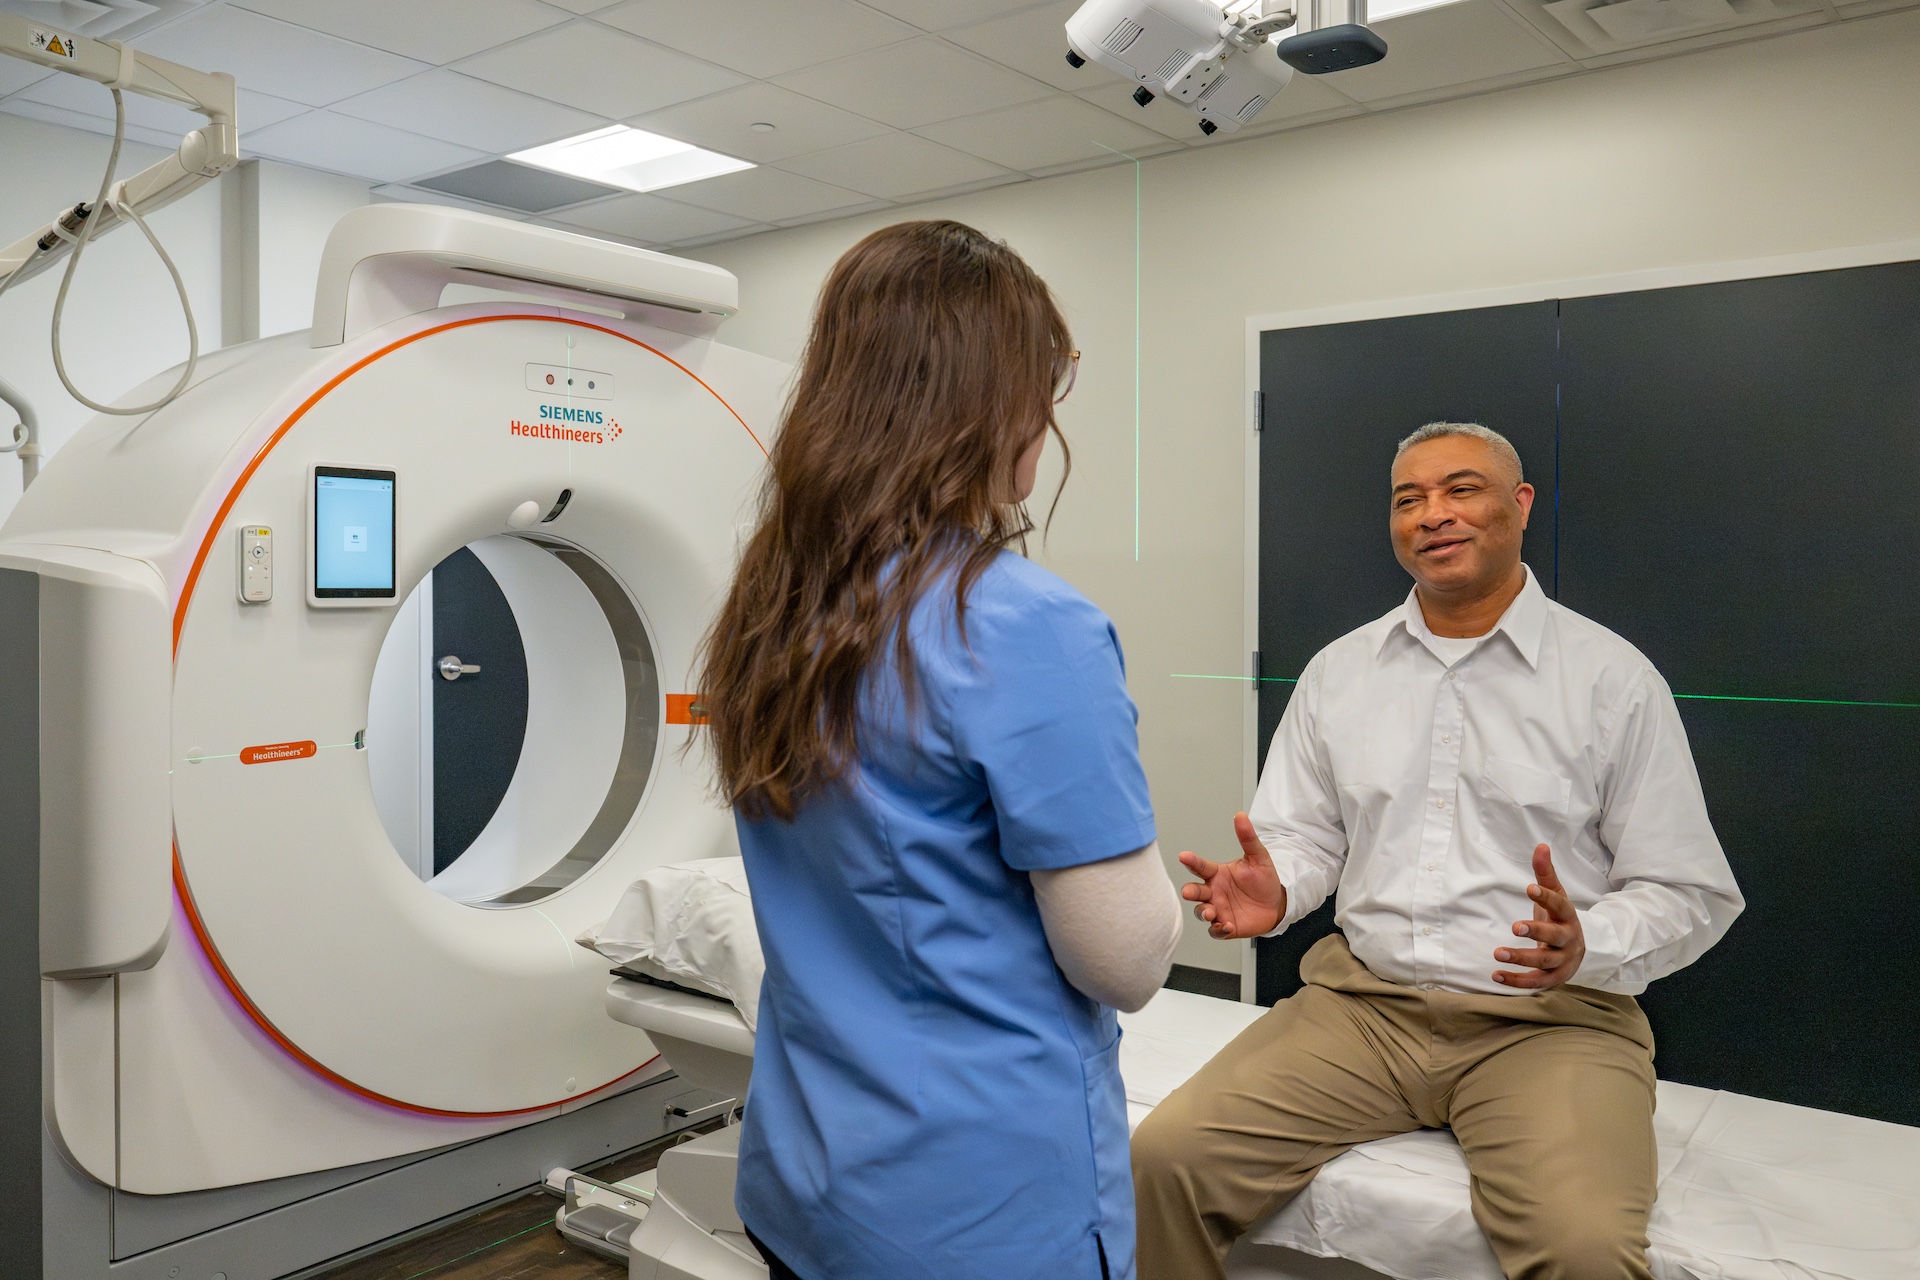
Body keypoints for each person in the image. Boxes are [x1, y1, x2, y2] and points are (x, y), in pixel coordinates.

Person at [1133, 422, 1744, 1280]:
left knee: (1585, 1251)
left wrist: (1589, 943)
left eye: (1461, 489)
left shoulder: (1612, 681)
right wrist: (1281, 890)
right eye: (1408, 499)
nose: (1432, 514)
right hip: (1364, 1011)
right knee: (1160, 1162)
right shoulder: (1341, 673)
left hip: (1551, 1025)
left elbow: (1688, 890)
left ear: (1520, 505)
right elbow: (1304, 837)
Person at [696, 221, 1183, 1280]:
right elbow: (1125, 960)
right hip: (975, 1212)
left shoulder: (773, 607)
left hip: (807, 1177)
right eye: (1042, 380)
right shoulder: (1026, 627)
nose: (1048, 413)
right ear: (982, 400)